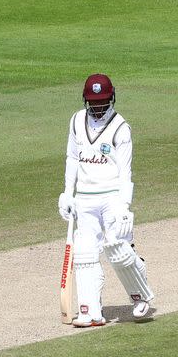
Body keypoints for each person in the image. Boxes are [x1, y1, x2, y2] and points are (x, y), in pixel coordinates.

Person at [57, 74, 154, 327]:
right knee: (85, 253)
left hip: (112, 197)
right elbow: (72, 157)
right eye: (93, 101)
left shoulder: (121, 127)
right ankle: (91, 311)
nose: (97, 106)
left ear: (111, 97)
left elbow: (126, 170)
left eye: (101, 101)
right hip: (85, 198)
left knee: (119, 251)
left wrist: (124, 207)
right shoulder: (77, 121)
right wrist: (67, 192)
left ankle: (141, 297)